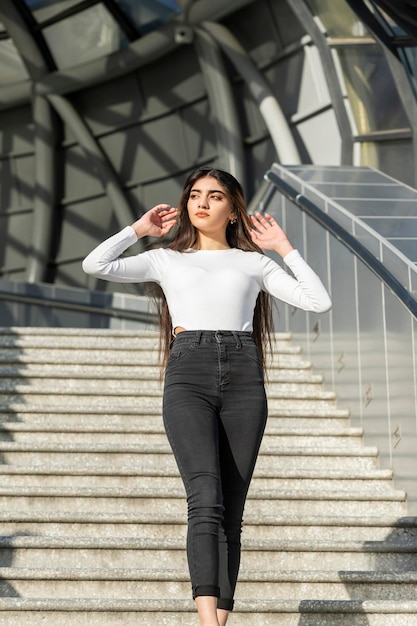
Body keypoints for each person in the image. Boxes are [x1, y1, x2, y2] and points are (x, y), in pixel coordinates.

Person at [82, 167, 332, 626]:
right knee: (205, 496)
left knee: (232, 510)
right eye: (195, 195)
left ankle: (220, 618)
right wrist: (137, 230)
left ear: (234, 210)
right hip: (188, 370)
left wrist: (284, 249)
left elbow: (319, 302)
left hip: (243, 373)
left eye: (215, 196)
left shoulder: (252, 263)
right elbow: (95, 265)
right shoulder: (165, 259)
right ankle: (205, 622)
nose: (201, 203)